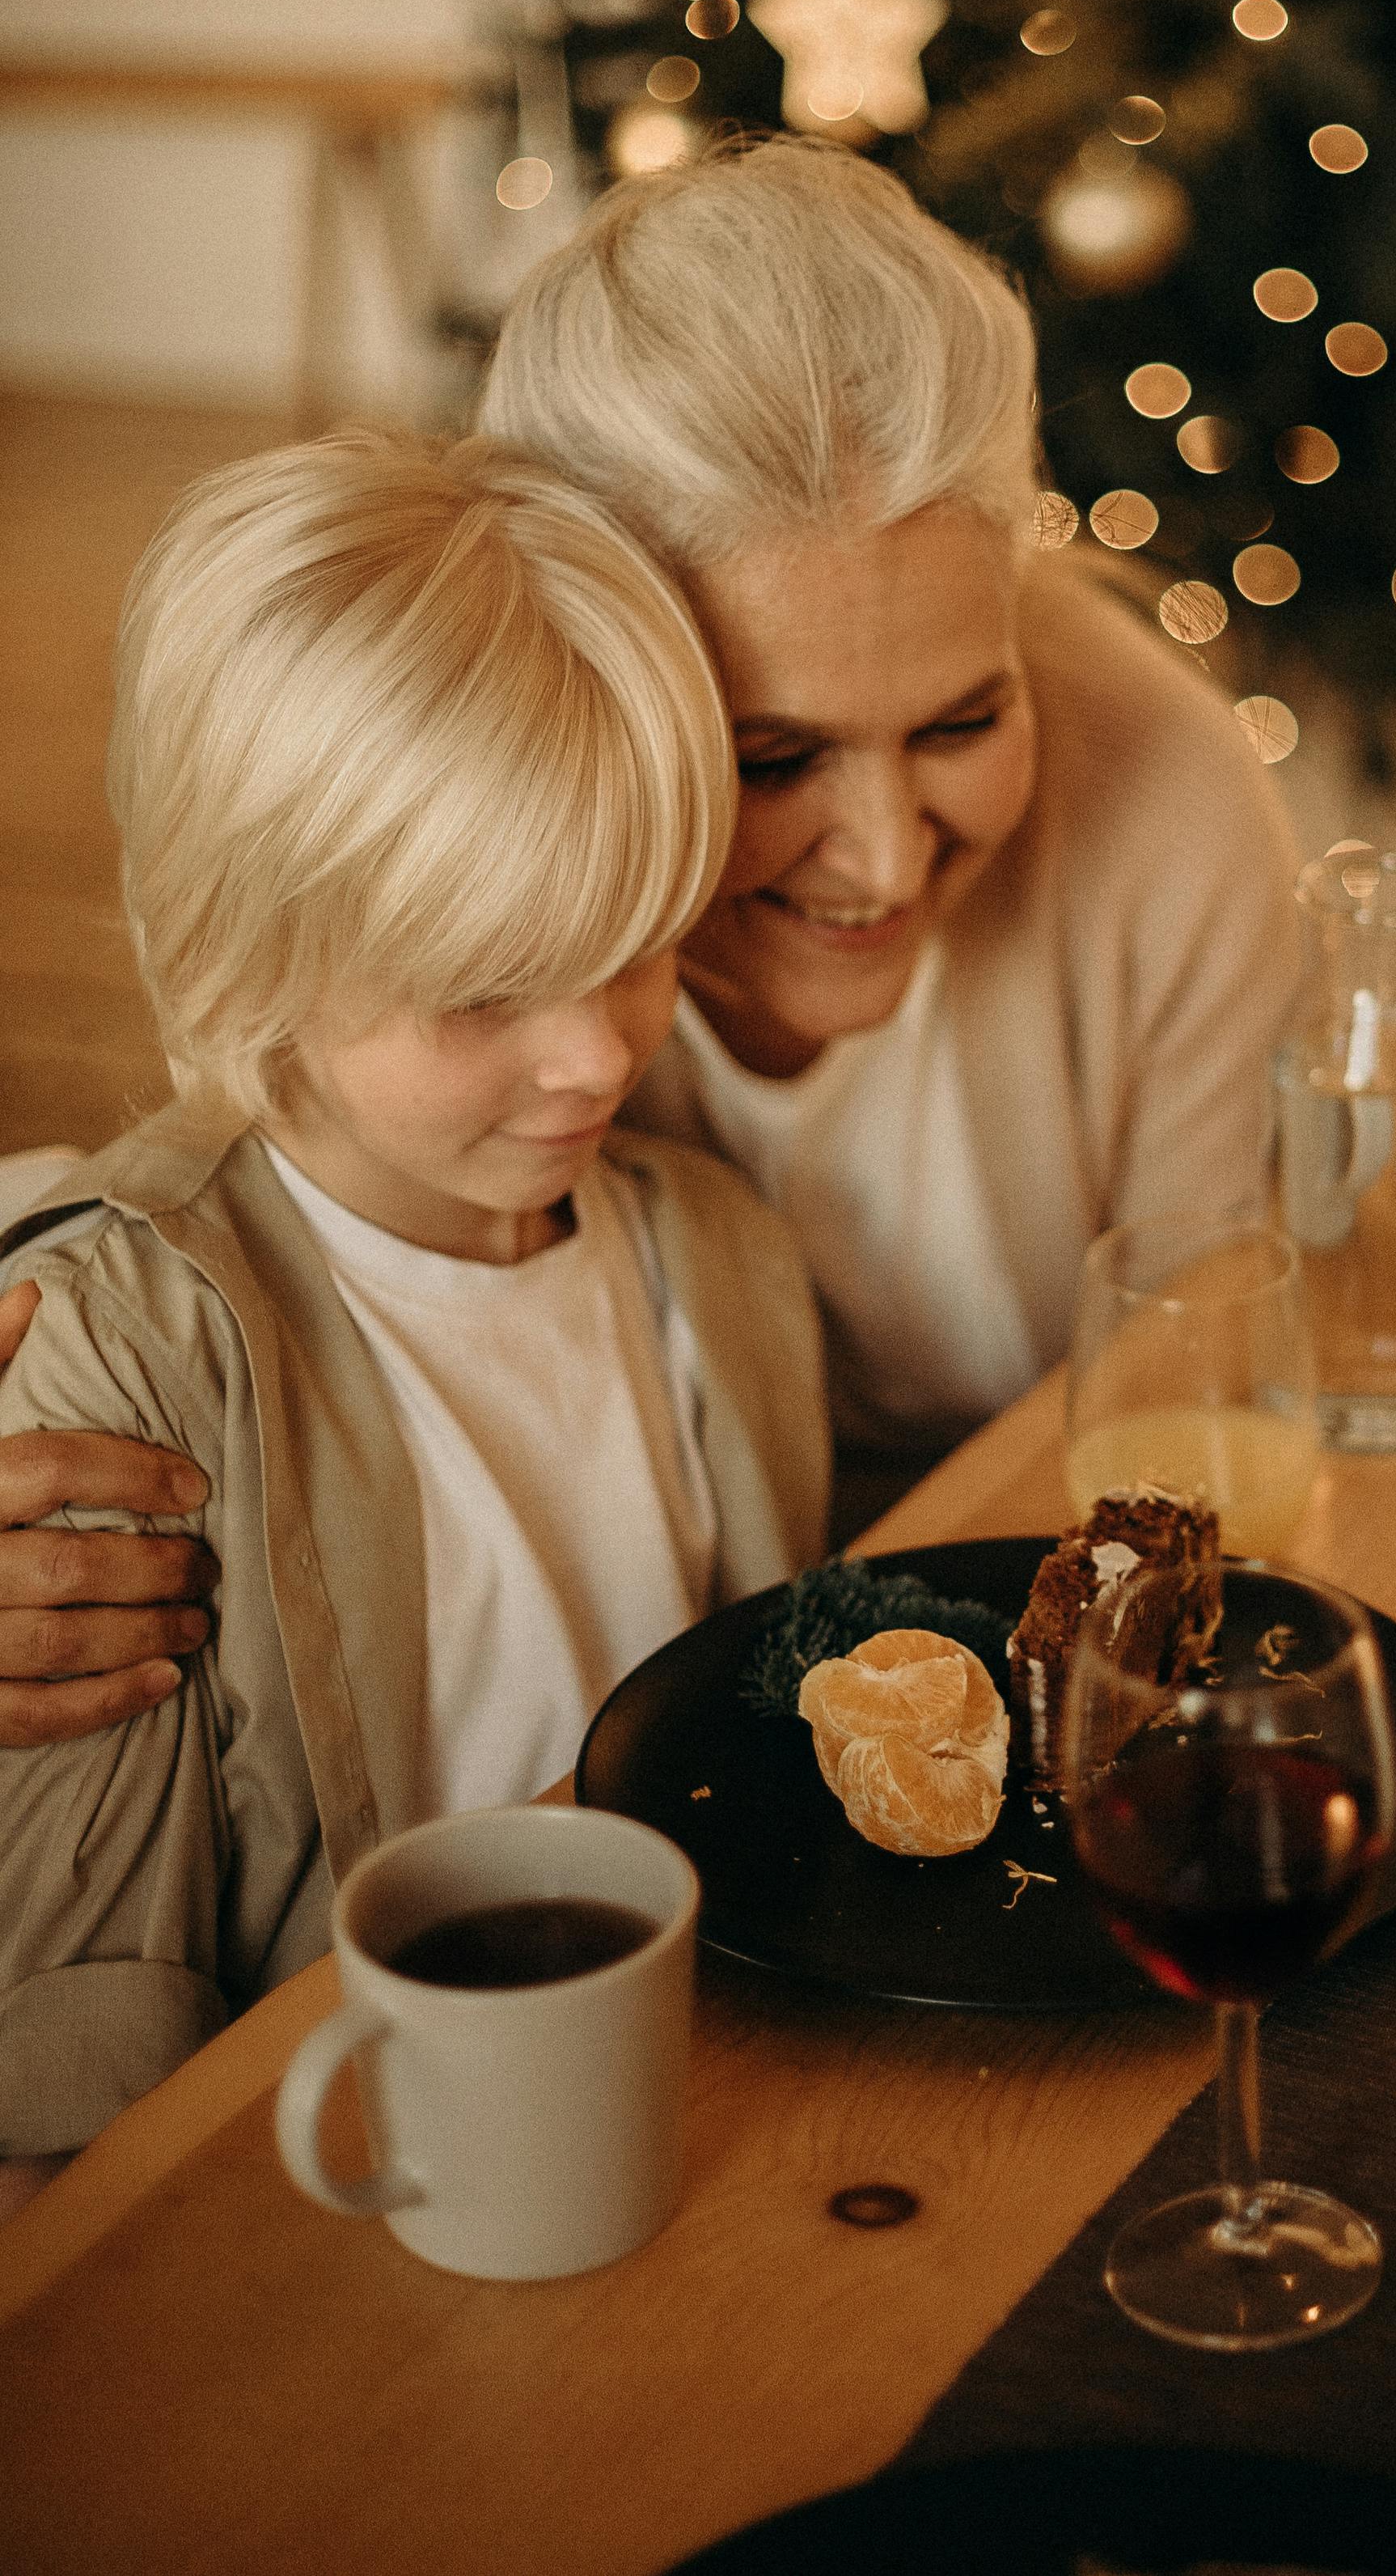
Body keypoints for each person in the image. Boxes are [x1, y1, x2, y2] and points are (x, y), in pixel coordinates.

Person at [0, 134, 1302, 1740]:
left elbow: (1208, 1422)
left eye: (966, 717)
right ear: (570, 659)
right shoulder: (449, 909)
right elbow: (232, 1137)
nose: (886, 853)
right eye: (771, 758)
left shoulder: (1165, 798)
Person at [0, 430, 826, 2205]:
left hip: (703, 2130)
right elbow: (71, 2083)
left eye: (631, 944)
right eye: (479, 992)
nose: (597, 1055)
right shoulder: (119, 1351)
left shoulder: (720, 1261)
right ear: (252, 956)